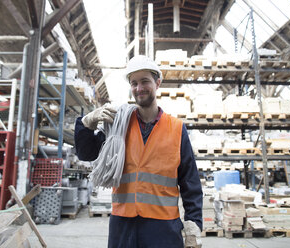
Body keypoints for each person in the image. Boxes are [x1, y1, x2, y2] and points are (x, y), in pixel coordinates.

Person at [74, 55, 203, 248]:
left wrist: (193, 225)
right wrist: (86, 124)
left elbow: (190, 182)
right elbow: (86, 153)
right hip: (123, 226)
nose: (139, 88)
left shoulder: (176, 129)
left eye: (145, 81)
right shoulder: (119, 125)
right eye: (134, 83)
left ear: (157, 83)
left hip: (163, 229)